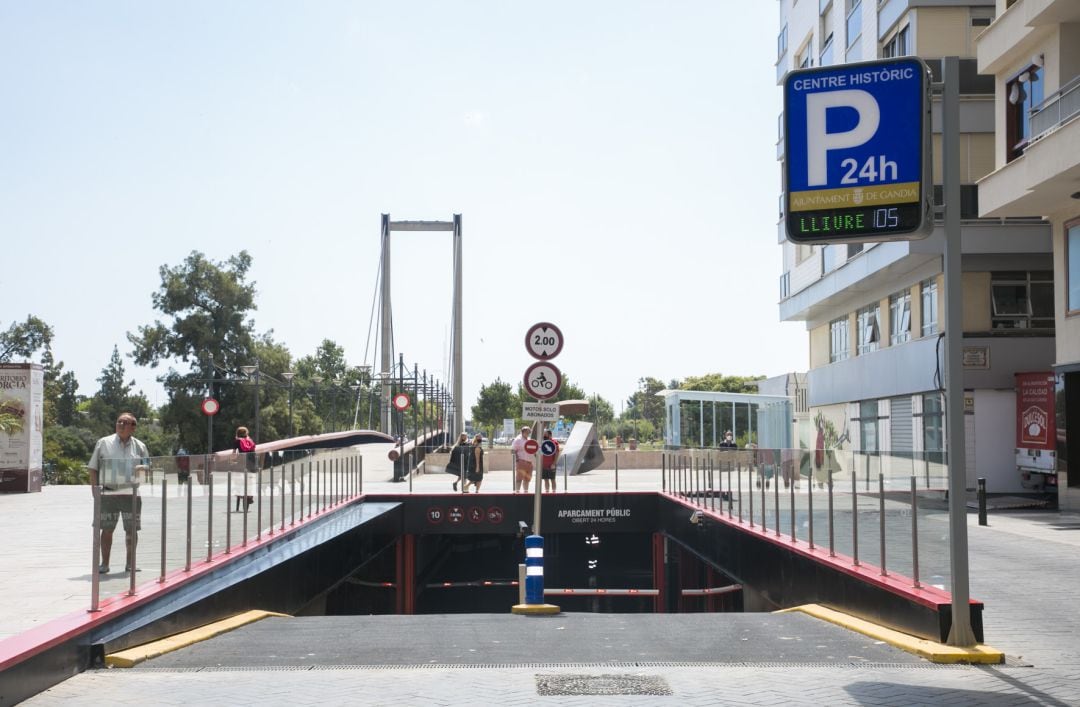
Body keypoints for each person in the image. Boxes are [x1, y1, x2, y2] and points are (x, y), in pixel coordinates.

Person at [87, 412, 149, 575]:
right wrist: (95, 490)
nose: (120, 425)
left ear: (133, 427)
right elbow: (92, 468)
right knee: (107, 529)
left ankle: (130, 564)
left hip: (131, 494)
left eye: (125, 423)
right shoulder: (103, 443)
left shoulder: (141, 446)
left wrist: (142, 472)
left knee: (131, 530)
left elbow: (147, 468)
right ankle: (104, 564)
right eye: (119, 422)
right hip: (109, 494)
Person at [234, 426, 256, 511]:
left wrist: (233, 460)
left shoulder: (237, 441)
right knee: (251, 480)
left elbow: (233, 454)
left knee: (238, 479)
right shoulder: (250, 440)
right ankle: (250, 497)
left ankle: (239, 492)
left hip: (242, 463)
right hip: (252, 462)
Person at [510, 426, 534, 493]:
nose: (528, 433)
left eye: (529, 432)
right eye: (527, 432)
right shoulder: (518, 440)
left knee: (527, 480)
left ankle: (525, 493)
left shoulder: (529, 440)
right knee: (519, 479)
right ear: (523, 432)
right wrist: (518, 459)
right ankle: (517, 493)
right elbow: (512, 450)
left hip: (529, 463)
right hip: (521, 462)